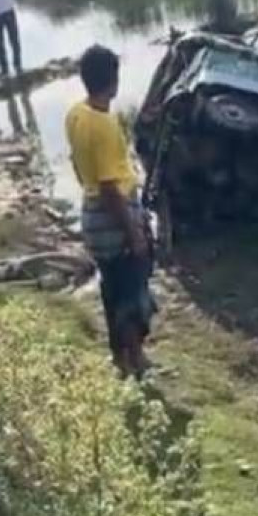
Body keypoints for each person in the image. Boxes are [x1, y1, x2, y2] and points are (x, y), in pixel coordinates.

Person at [66, 45, 153, 377]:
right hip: (112, 216)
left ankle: (119, 357)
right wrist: (134, 233)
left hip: (91, 215)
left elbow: (78, 165)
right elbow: (109, 189)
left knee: (112, 288)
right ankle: (136, 359)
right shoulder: (104, 124)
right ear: (113, 81)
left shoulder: (76, 114)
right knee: (132, 288)